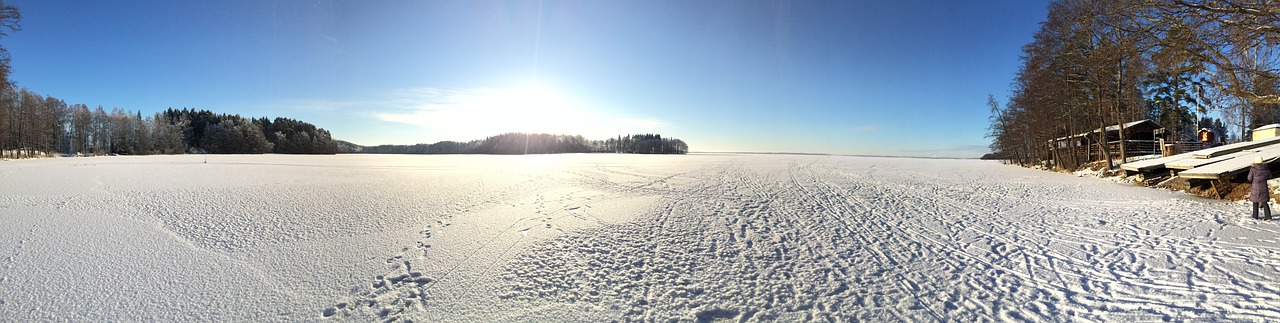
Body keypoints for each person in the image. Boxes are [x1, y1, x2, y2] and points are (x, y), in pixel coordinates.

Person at [1248, 155, 1272, 220]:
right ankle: (1268, 216)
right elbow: (1270, 176)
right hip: (1264, 187)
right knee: (1264, 201)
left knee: (1255, 202)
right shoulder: (1266, 168)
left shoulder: (1253, 169)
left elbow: (1249, 178)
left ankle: (1255, 216)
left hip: (1255, 187)